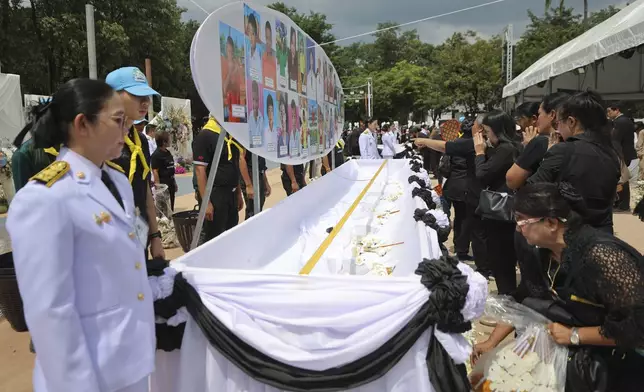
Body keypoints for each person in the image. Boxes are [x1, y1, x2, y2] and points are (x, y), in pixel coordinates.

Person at [7, 78, 155, 391]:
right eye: (117, 121)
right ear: (82, 125)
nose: (126, 130)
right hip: (88, 372)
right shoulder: (46, 198)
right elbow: (50, 311)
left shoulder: (117, 182)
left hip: (128, 362)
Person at [472, 182, 644, 391]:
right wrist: (492, 342)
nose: (517, 227)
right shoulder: (543, 251)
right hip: (573, 355)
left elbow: (635, 328)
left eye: (521, 220)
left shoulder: (601, 257)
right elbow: (526, 297)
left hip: (615, 363)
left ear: (552, 223)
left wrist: (574, 334)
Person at [527, 91, 620, 233]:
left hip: (571, 235)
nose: (557, 129)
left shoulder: (563, 151)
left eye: (558, 123)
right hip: (603, 233)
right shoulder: (611, 152)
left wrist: (546, 155)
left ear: (571, 122)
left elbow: (533, 191)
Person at [414, 118, 490, 276]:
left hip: (456, 188)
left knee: (464, 221)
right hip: (465, 190)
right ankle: (467, 252)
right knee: (467, 222)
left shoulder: (469, 144)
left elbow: (444, 150)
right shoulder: (473, 144)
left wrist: (424, 141)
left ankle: (463, 250)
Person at [106, 66, 165, 261]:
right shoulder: (100, 141)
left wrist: (155, 236)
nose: (145, 102)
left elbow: (145, 188)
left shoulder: (141, 142)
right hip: (108, 238)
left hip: (139, 231)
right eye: (137, 95)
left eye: (147, 96)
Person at [474, 110, 522, 294]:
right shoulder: (512, 147)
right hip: (506, 211)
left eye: (486, 131)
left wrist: (479, 153)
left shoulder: (505, 149)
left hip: (501, 212)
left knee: (501, 260)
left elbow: (482, 175)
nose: (485, 135)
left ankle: (507, 308)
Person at [193, 117, 244, 243]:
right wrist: (206, 203)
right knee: (214, 237)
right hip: (216, 196)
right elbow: (200, 171)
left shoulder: (229, 135)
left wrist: (238, 193)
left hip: (230, 194)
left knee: (231, 234)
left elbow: (233, 166)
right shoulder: (206, 135)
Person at [507, 92, 569, 190]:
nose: (537, 118)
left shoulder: (540, 142)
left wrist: (528, 148)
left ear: (552, 115)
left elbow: (512, 180)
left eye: (539, 113)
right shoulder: (573, 142)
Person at [607, 102, 638, 211]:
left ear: (617, 110)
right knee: (621, 179)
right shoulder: (626, 120)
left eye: (610, 111)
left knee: (621, 179)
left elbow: (615, 140)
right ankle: (621, 203)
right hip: (625, 153)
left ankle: (622, 204)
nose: (608, 113)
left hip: (621, 154)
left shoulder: (619, 122)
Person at [239, 150, 271, 219]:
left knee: (259, 208)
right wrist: (248, 185)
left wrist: (266, 182)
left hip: (259, 174)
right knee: (252, 210)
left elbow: (261, 164)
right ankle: (249, 229)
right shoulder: (245, 140)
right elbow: (241, 158)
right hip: (250, 175)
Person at [151, 130, 178, 211]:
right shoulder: (156, 155)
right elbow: (155, 171)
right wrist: (159, 187)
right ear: (164, 142)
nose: (170, 140)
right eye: (168, 139)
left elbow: (171, 167)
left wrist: (174, 182)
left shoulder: (167, 152)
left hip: (171, 182)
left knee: (171, 206)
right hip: (163, 183)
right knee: (164, 207)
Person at [222, 36, 244, 123]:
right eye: (228, 51)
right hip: (229, 103)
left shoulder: (236, 63)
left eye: (231, 51)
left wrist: (238, 69)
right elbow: (224, 89)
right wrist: (230, 73)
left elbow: (240, 84)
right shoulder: (224, 63)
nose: (230, 53)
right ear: (226, 50)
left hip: (237, 103)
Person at [246, 13, 262, 80]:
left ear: (256, 34)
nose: (250, 38)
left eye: (252, 33)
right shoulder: (247, 52)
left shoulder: (260, 52)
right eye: (249, 33)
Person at [248, 81, 263, 146]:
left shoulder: (262, 118)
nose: (255, 104)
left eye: (256, 100)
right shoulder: (249, 118)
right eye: (253, 100)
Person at [262, 21, 277, 89]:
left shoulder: (275, 59)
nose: (268, 42)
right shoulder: (261, 57)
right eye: (266, 38)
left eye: (269, 38)